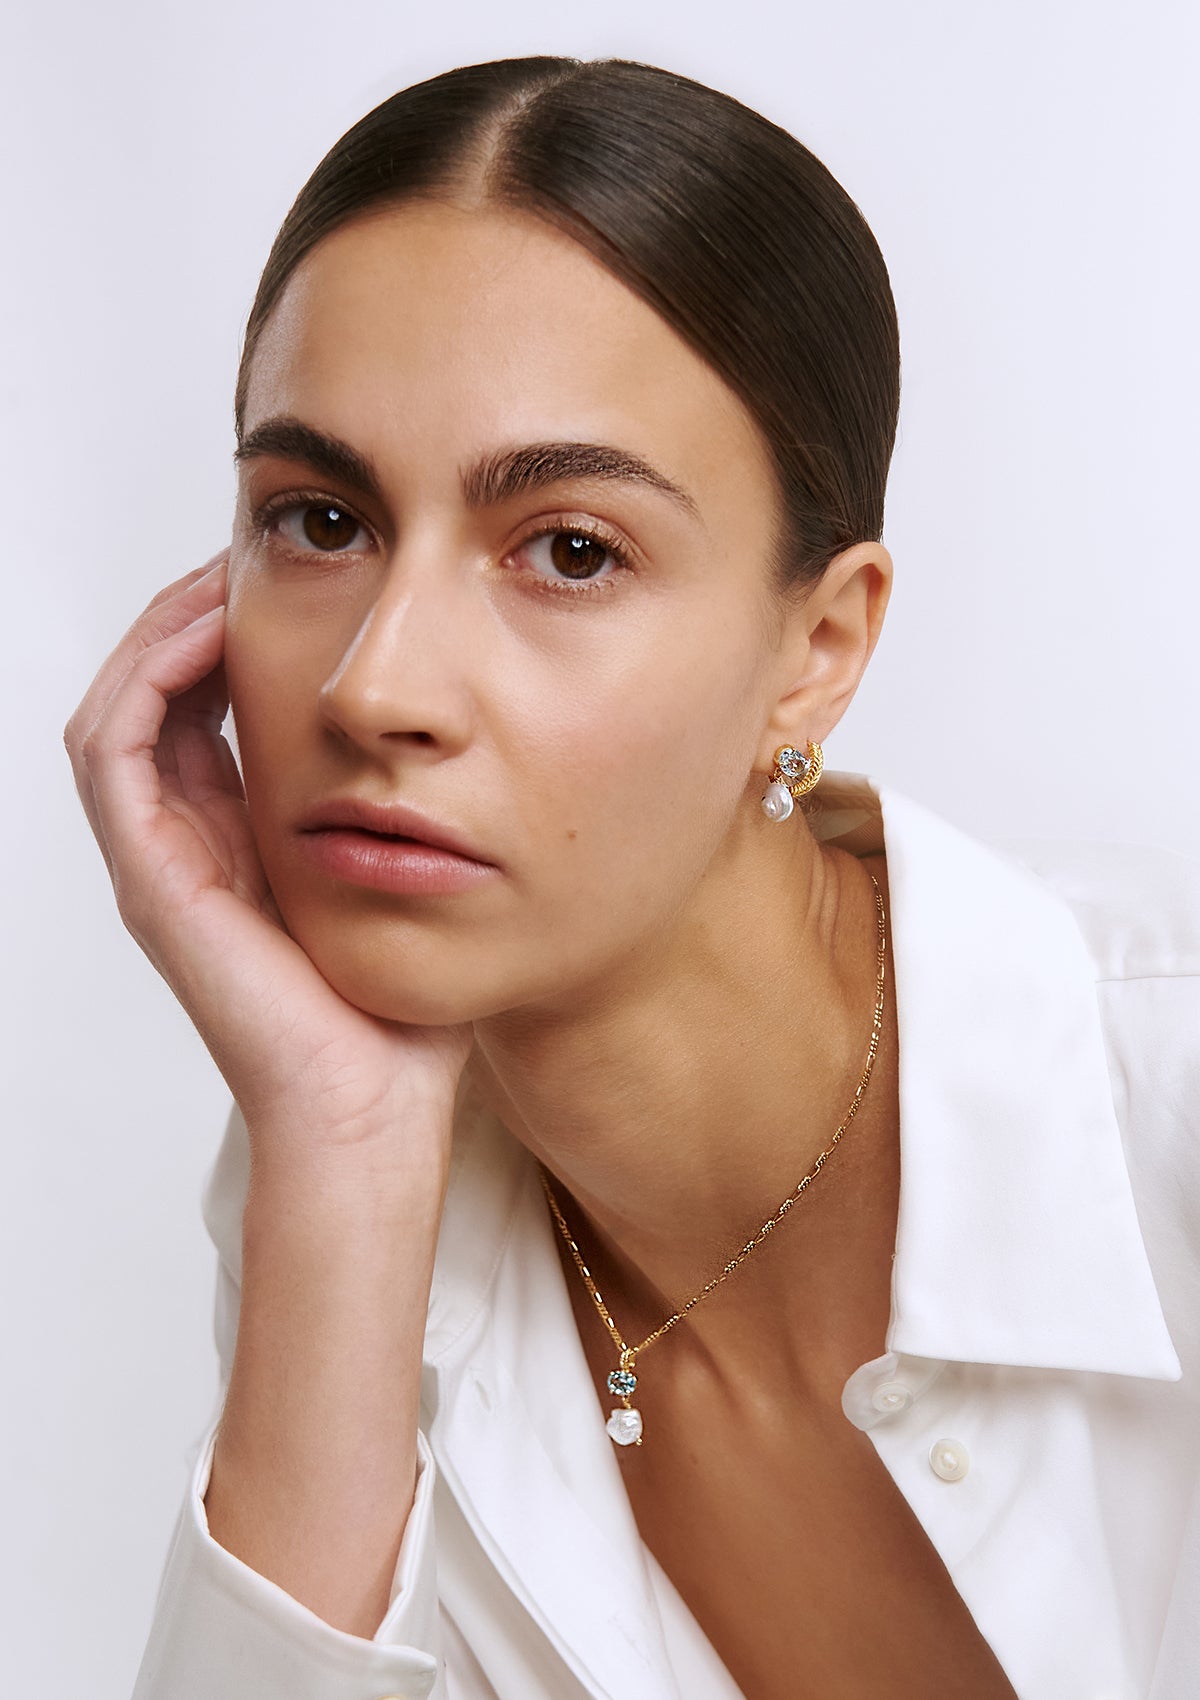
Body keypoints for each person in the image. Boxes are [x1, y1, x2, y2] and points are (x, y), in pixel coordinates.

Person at [64, 53, 1199, 1700]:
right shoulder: (342, 1189)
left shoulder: (1163, 1092)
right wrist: (350, 1144)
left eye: (571, 551)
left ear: (818, 649)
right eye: (317, 521)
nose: (377, 687)